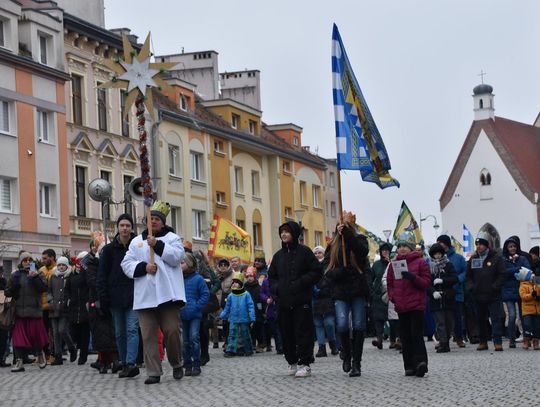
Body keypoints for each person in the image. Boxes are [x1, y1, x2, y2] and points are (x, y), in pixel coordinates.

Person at [121, 201, 186, 385]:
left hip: (168, 295)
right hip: (146, 296)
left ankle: (176, 362)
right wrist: (143, 267)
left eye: (157, 219)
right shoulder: (136, 242)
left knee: (172, 331)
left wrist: (157, 245)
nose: (154, 221)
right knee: (148, 334)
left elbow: (176, 258)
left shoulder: (172, 238)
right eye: (151, 218)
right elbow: (126, 264)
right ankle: (153, 371)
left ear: (163, 222)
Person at [268, 221, 322, 378]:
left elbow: (316, 271)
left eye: (287, 231)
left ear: (294, 233)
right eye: (282, 232)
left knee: (303, 332)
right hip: (283, 302)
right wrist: (277, 289)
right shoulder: (278, 256)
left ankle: (305, 363)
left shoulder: (305, 252)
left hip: (301, 301)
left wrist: (301, 283)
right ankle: (291, 361)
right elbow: (272, 277)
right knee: (287, 333)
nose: (284, 234)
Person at [323, 217, 370, 378]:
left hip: (357, 289)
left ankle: (357, 362)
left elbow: (362, 253)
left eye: (346, 227)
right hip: (341, 290)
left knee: (358, 325)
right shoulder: (332, 246)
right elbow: (326, 270)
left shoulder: (360, 241)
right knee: (342, 325)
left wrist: (349, 236)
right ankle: (347, 355)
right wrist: (338, 273)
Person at [97, 213, 139, 378]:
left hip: (134, 295)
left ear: (132, 228)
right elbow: (101, 276)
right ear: (117, 227)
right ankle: (123, 362)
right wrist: (103, 298)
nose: (125, 228)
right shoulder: (108, 250)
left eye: (128, 225)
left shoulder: (137, 247)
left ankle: (131, 362)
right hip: (114, 297)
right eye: (122, 225)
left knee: (132, 329)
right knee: (120, 332)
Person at [387, 233, 431, 377]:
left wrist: (413, 278)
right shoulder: (393, 264)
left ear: (411, 247)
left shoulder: (420, 262)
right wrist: (393, 297)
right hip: (401, 306)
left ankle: (421, 363)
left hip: (416, 305)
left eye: (405, 246)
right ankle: (409, 365)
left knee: (416, 334)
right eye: (400, 246)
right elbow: (390, 284)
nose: (402, 249)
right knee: (405, 336)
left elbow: (425, 283)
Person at [6, 252, 48, 372]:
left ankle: (40, 355)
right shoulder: (16, 275)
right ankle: (19, 361)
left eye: (30, 260)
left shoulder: (38, 273)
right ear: (21, 262)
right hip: (19, 312)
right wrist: (14, 288)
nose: (28, 262)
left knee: (36, 337)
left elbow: (44, 288)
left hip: (34, 311)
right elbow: (7, 292)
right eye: (25, 260)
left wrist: (34, 277)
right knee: (18, 338)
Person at [83, 235, 118, 374]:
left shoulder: (112, 264)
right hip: (97, 302)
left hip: (110, 301)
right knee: (100, 333)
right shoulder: (92, 264)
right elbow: (93, 282)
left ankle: (113, 360)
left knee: (112, 332)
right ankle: (103, 361)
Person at [466, 235, 506, 351]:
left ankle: (497, 342)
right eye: (477, 245)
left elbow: (502, 274)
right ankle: (483, 341)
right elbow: (468, 276)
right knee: (480, 319)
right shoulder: (473, 259)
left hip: (493, 295)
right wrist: (471, 287)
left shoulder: (496, 258)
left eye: (481, 244)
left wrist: (495, 287)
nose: (478, 246)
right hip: (478, 295)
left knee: (495, 319)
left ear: (486, 246)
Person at [436, 235, 467, 348]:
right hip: (442, 292)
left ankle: (459, 337)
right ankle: (443, 339)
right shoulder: (436, 258)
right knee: (442, 318)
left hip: (456, 291)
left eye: (441, 242)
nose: (439, 245)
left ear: (446, 244)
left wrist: (458, 279)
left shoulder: (458, 258)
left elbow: (465, 271)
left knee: (457, 317)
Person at [180, 252, 209, 376]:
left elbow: (205, 294)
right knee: (185, 341)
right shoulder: (178, 278)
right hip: (182, 313)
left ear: (190, 263)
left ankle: (196, 364)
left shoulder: (198, 279)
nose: (180, 265)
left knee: (194, 338)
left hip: (195, 314)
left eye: (182, 262)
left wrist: (197, 306)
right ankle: (187, 364)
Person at [427, 243, 458, 353]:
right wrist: (433, 292)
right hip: (436, 300)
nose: (438, 256)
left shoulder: (448, 265)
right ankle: (443, 343)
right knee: (440, 323)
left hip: (447, 297)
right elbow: (427, 283)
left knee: (449, 322)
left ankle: (447, 341)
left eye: (439, 253)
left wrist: (443, 281)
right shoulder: (429, 267)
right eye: (435, 254)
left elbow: (455, 278)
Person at [501, 236, 530, 348]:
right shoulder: (503, 259)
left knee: (524, 316)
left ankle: (526, 338)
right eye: (510, 247)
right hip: (508, 291)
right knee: (512, 315)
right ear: (507, 248)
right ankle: (511, 338)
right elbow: (503, 272)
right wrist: (517, 269)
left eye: (514, 246)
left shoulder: (522, 258)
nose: (512, 248)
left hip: (521, 289)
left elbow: (527, 270)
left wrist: (513, 271)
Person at [48, 256, 77, 365]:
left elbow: (71, 291)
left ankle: (71, 348)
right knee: (55, 333)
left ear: (67, 266)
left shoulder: (69, 277)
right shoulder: (53, 277)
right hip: (53, 308)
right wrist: (50, 301)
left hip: (65, 308)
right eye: (59, 265)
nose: (61, 267)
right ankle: (58, 356)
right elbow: (49, 290)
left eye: (63, 265)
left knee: (62, 330)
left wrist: (69, 301)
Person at [219, 272, 255, 357]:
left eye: (236, 282)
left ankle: (247, 349)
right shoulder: (230, 296)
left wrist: (252, 317)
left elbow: (250, 306)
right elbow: (227, 308)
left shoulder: (246, 294)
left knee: (245, 335)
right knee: (232, 335)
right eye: (233, 282)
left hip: (244, 318)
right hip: (233, 319)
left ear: (240, 284)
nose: (234, 284)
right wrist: (221, 316)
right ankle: (231, 350)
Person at [312, 246, 338, 357]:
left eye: (319, 252)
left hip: (328, 297)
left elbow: (332, 280)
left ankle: (333, 343)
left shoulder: (329, 265)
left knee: (329, 323)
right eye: (316, 253)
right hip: (315, 298)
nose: (318, 254)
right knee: (318, 324)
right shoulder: (311, 266)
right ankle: (321, 347)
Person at [64, 255, 90, 365]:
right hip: (74, 307)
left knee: (84, 335)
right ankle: (73, 350)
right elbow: (67, 289)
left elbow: (90, 285)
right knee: (72, 333)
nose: (79, 264)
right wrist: (67, 299)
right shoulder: (71, 275)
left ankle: (83, 356)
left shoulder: (87, 273)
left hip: (85, 307)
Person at [371, 243, 392, 350]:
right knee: (378, 318)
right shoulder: (376, 264)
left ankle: (394, 339)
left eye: (387, 250)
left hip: (390, 293)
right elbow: (371, 278)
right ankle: (379, 339)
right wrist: (372, 291)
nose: (385, 252)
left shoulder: (393, 262)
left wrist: (391, 262)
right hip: (378, 294)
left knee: (392, 318)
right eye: (383, 250)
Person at [39, 249, 56, 363]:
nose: (43, 260)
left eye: (45, 258)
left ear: (52, 257)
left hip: (55, 306)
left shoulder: (58, 269)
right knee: (44, 332)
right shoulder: (41, 270)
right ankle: (47, 354)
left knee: (56, 332)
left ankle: (56, 353)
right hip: (43, 307)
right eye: (43, 258)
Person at [516, 268, 540, 350]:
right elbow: (523, 297)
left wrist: (538, 296)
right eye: (531, 275)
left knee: (537, 327)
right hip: (527, 310)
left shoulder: (536, 284)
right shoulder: (523, 286)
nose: (533, 276)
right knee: (527, 326)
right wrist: (531, 295)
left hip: (537, 310)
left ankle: (536, 342)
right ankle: (526, 341)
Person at [244, 266, 266, 353]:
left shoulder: (258, 287)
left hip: (257, 310)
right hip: (248, 311)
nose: (249, 278)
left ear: (254, 276)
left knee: (259, 328)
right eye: (248, 276)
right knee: (250, 328)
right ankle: (252, 343)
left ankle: (261, 344)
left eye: (251, 276)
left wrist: (263, 310)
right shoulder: (245, 287)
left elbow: (261, 299)